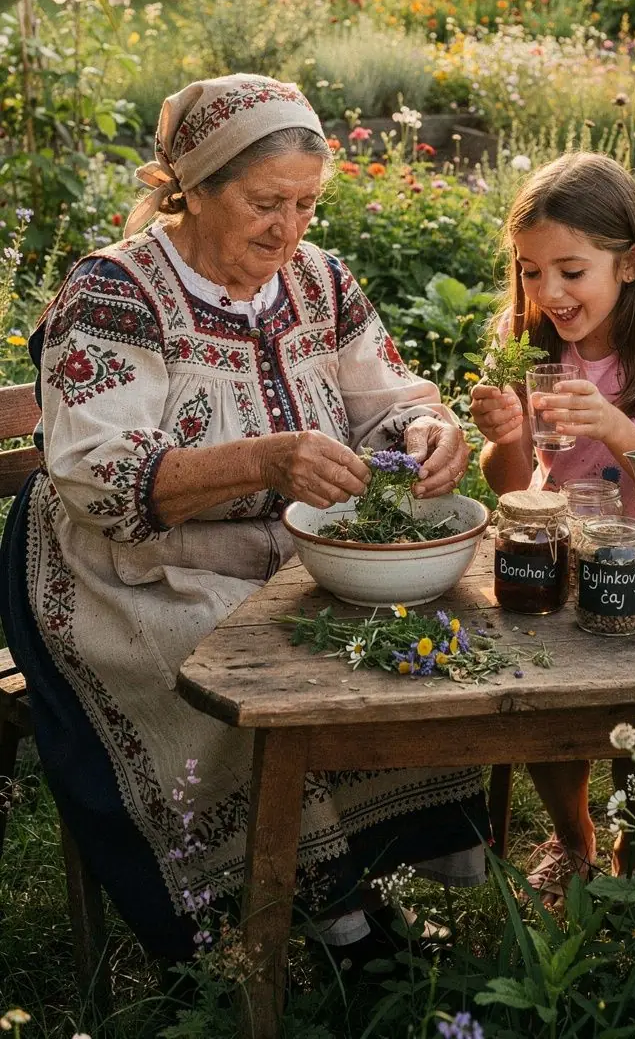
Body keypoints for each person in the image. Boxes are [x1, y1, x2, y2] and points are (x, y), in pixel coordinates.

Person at [0, 74, 488, 963]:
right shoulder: (115, 293)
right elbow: (93, 476)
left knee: (408, 636)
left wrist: (428, 428)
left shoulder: (320, 280)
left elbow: (389, 400)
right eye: (266, 203)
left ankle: (354, 896)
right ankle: (314, 923)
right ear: (193, 187)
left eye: (307, 204)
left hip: (288, 560)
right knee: (239, 665)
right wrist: (263, 459)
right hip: (133, 573)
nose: (290, 229)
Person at [470, 152, 635, 901]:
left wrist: (619, 428)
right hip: (556, 551)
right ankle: (574, 836)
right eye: (529, 270)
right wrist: (507, 431)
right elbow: (516, 485)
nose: (548, 291)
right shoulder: (526, 339)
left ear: (628, 264)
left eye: (570, 270)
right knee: (549, 697)